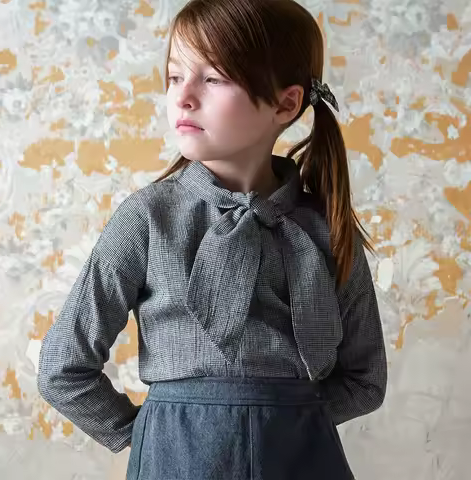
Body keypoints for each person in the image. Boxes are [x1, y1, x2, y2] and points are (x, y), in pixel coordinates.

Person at [37, 0, 387, 478]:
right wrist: (151, 434)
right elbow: (63, 366)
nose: (183, 96)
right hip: (175, 460)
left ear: (286, 103)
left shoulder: (327, 229)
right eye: (174, 76)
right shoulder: (146, 219)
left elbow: (365, 379)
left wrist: (293, 418)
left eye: (214, 78)